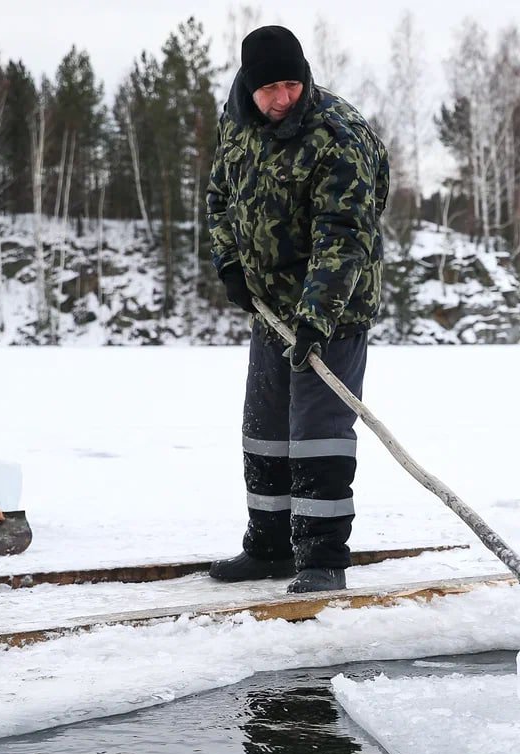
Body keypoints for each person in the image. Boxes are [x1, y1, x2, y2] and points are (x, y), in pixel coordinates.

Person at [205, 25, 389, 593]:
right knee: (264, 432)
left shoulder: (339, 135)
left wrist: (316, 317)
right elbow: (219, 195)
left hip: (332, 312)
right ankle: (269, 548)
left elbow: (344, 233)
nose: (282, 98)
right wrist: (230, 263)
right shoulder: (236, 125)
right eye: (270, 88)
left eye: (292, 84)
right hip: (270, 311)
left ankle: (321, 560)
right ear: (248, 88)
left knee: (317, 433)